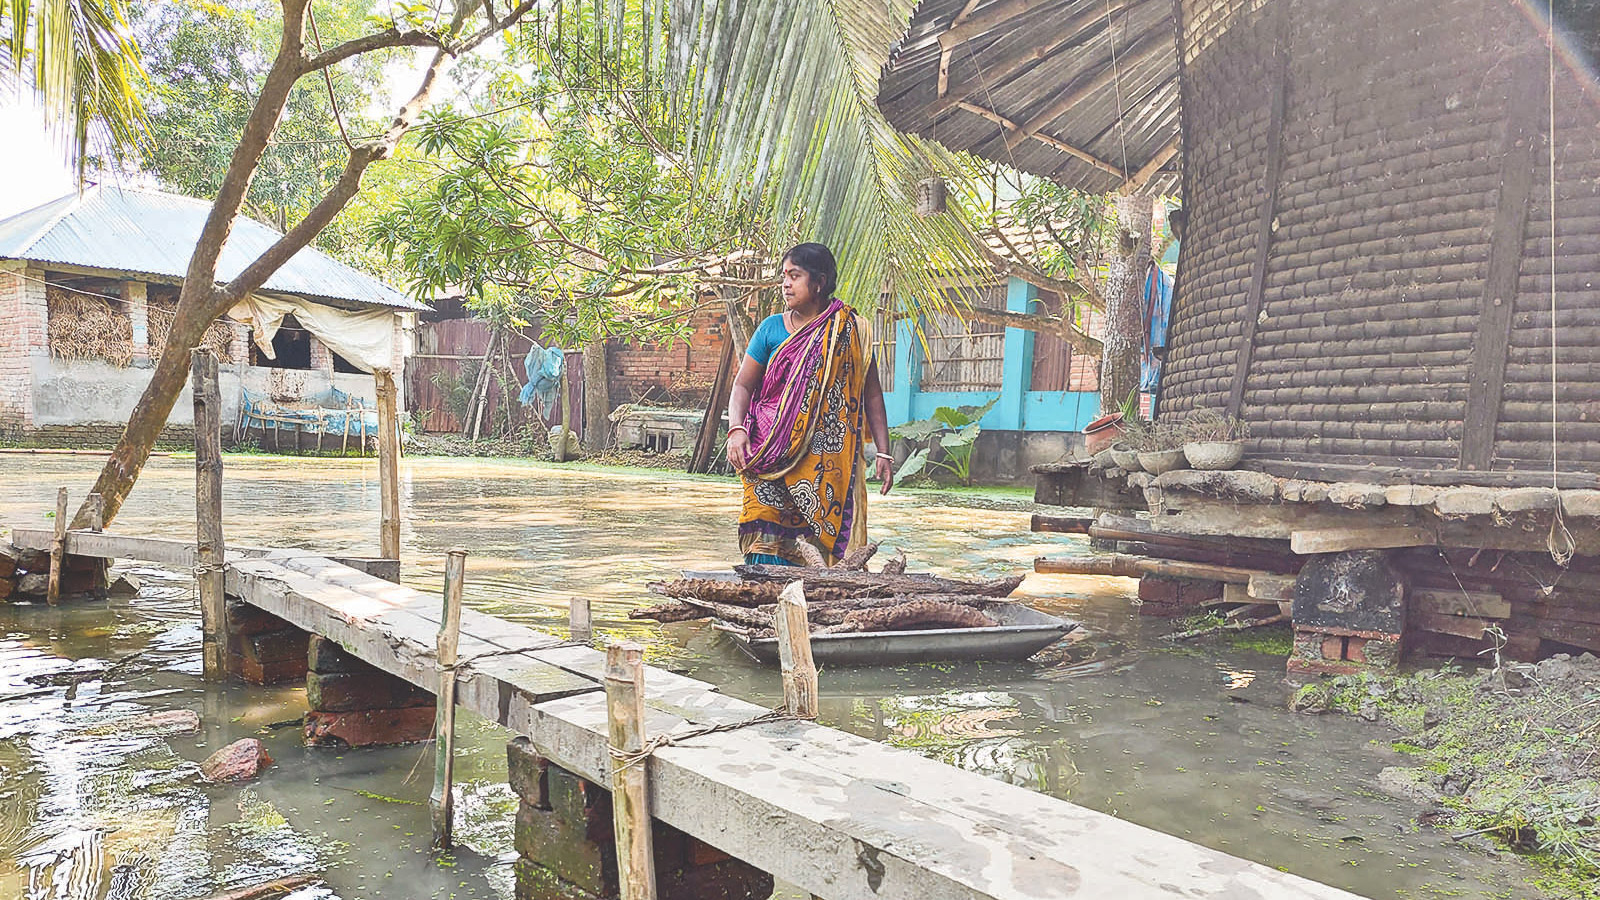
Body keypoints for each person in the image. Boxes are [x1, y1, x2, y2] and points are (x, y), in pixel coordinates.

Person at [726, 243, 893, 566]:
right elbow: (743, 385)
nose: (785, 284)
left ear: (819, 281)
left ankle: (812, 607)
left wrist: (884, 452)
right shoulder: (771, 329)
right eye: (784, 276)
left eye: (795, 276)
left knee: (815, 552)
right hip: (767, 455)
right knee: (764, 536)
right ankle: (765, 603)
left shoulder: (850, 330)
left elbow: (871, 394)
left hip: (824, 468)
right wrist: (736, 429)